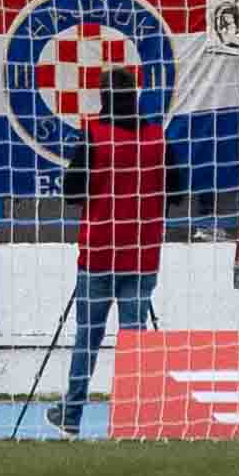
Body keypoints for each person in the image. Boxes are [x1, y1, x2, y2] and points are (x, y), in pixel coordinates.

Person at [50, 53, 164, 436]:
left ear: (104, 96)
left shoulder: (94, 135)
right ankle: (137, 416)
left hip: (99, 250)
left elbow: (71, 191)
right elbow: (178, 189)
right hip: (143, 251)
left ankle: (72, 415)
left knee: (88, 336)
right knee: (135, 337)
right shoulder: (156, 137)